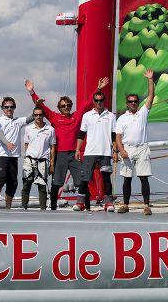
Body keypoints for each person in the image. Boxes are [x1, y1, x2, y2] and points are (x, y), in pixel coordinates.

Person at [25, 77, 109, 210]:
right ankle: (52, 208)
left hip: (74, 155)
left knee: (82, 182)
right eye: (63, 106)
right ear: (59, 108)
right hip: (60, 155)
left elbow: (88, 104)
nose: (66, 107)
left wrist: (98, 89)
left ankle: (87, 208)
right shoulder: (54, 117)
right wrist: (32, 92)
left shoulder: (76, 116)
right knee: (56, 183)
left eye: (68, 105)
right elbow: (41, 106)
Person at [115, 69, 155, 215]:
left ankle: (146, 205)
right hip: (128, 149)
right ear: (127, 103)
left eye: (135, 101)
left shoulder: (143, 112)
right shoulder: (121, 118)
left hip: (142, 148)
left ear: (138, 103)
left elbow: (151, 96)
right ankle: (125, 205)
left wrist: (150, 79)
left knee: (144, 178)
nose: (133, 103)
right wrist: (121, 150)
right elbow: (118, 137)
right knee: (127, 179)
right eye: (130, 102)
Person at [75, 90, 117, 212]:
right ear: (93, 102)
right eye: (97, 100)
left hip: (105, 152)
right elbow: (81, 134)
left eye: (101, 100)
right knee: (85, 178)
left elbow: (114, 135)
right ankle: (80, 203)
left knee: (106, 178)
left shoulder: (111, 116)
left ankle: (108, 203)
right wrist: (78, 149)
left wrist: (114, 151)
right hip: (89, 152)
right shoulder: (87, 116)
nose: (99, 103)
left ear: (104, 101)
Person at [0, 97, 34, 209]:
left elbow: (32, 118)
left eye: (11, 107)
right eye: (6, 107)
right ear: (2, 108)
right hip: (2, 155)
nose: (9, 109)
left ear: (14, 108)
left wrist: (36, 102)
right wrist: (7, 143)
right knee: (1, 178)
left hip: (14, 156)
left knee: (13, 182)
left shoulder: (17, 121)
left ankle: (8, 206)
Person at [21, 107, 56, 210]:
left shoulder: (50, 129)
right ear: (33, 116)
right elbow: (26, 144)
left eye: (40, 115)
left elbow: (52, 147)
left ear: (43, 115)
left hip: (43, 160)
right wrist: (26, 157)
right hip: (30, 159)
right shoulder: (28, 128)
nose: (38, 117)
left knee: (42, 185)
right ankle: (24, 207)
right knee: (27, 183)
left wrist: (52, 164)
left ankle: (43, 208)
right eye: (36, 115)